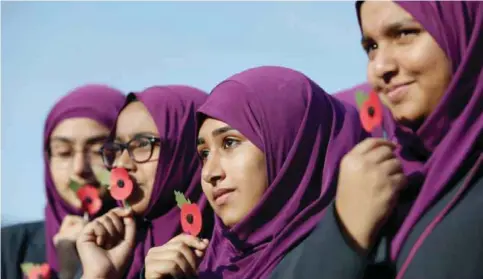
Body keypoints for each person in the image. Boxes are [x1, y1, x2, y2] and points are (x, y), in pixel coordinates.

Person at [272, 2, 483, 278]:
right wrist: (343, 232)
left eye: (404, 34)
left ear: (462, 30)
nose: (380, 67)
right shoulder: (385, 182)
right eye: (371, 47)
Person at [140, 66, 367, 279]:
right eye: (204, 154)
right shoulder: (210, 266)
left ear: (290, 147)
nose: (210, 173)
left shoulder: (354, 256)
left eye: (229, 143)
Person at [76, 85, 214, 279]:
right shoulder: (111, 249)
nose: (120, 164)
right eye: (116, 148)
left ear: (188, 150)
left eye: (142, 144)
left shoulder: (234, 257)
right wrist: (98, 275)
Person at [1, 84, 125, 279]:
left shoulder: (157, 250)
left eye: (97, 151)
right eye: (63, 152)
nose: (78, 169)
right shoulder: (9, 248)